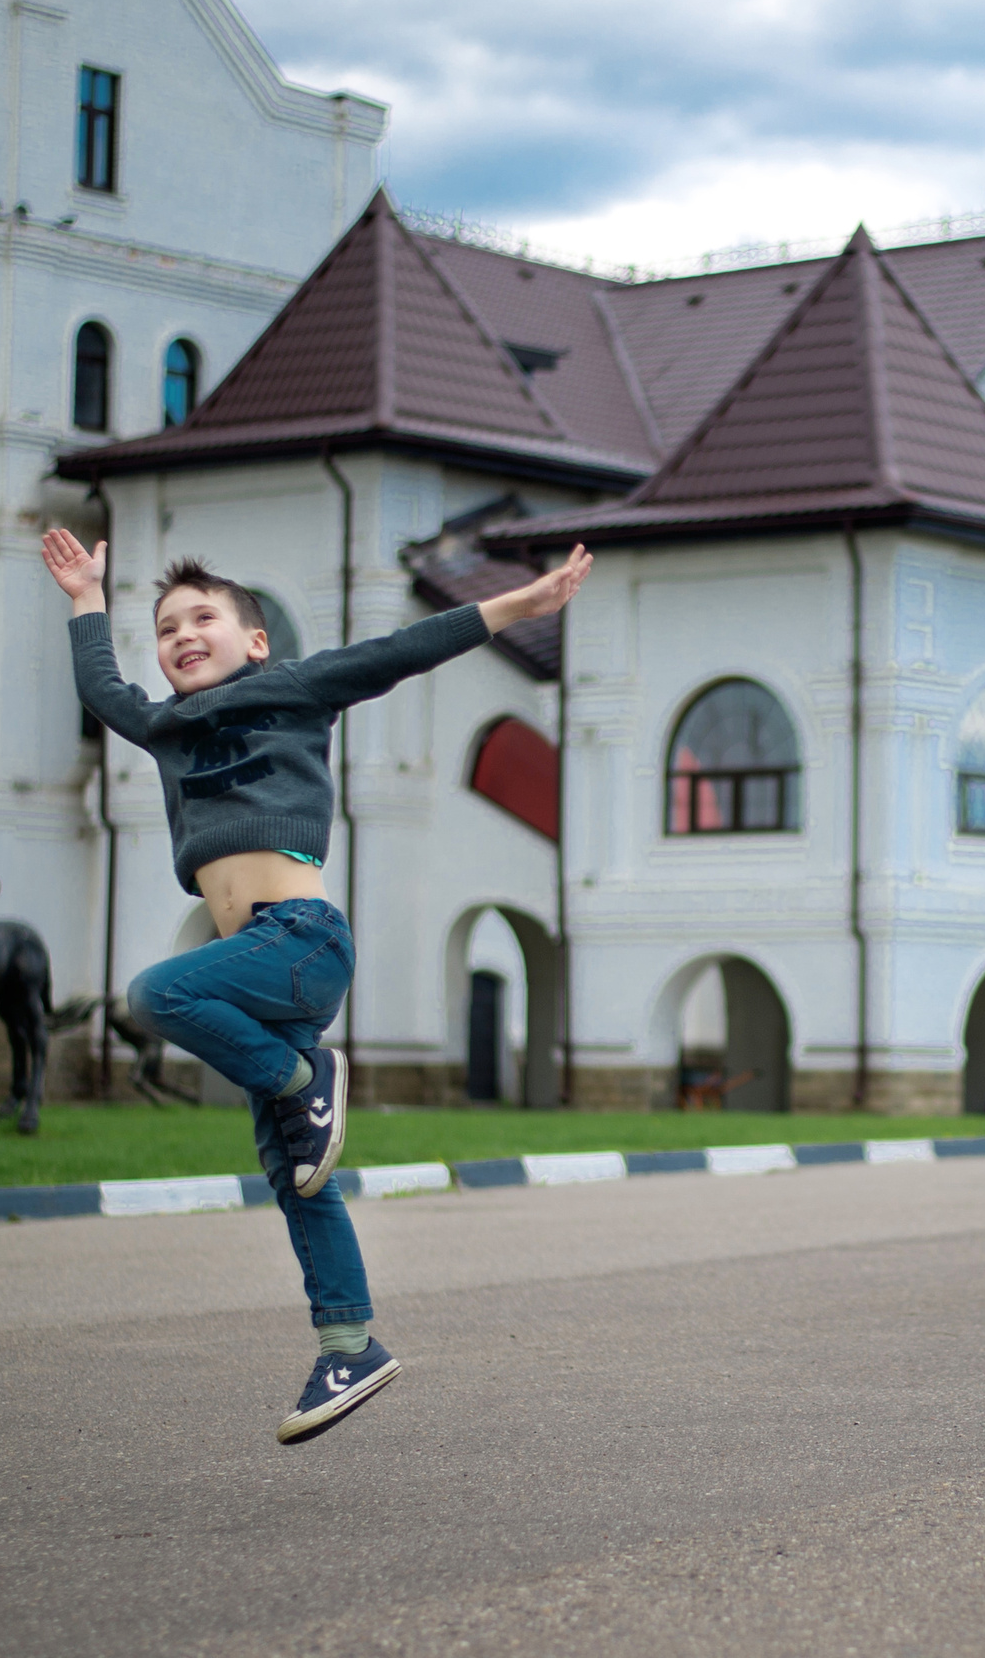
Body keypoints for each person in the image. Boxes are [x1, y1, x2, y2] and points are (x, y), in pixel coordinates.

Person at [44, 529, 592, 1443]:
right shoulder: (165, 728)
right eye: (167, 626)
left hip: (298, 940)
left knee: (153, 995)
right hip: (263, 976)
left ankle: (310, 1085)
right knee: (298, 1175)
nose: (183, 633)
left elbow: (397, 654)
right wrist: (83, 598)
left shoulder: (290, 689)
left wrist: (516, 607)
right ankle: (351, 1344)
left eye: (203, 617)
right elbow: (104, 691)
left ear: (254, 640)